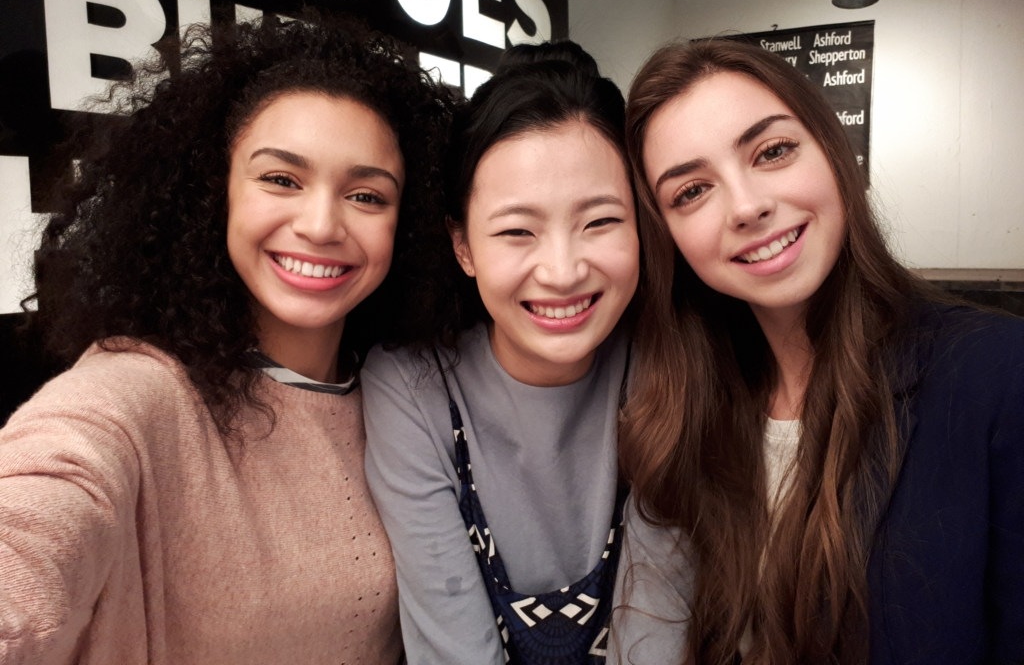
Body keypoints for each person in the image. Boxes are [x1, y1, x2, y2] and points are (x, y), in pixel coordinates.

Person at [0, 11, 454, 663]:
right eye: (281, 179)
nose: (322, 224)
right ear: (216, 193)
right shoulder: (139, 392)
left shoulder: (401, 397)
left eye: (366, 195)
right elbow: (37, 511)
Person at [608, 36, 1024, 664]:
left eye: (772, 151)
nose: (747, 206)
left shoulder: (997, 376)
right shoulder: (690, 411)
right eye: (691, 191)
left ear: (832, 150)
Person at [361, 40, 662, 664]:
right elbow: (453, 647)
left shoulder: (667, 365)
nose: (562, 271)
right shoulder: (414, 389)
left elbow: (659, 633)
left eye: (601, 221)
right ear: (463, 246)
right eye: (517, 231)